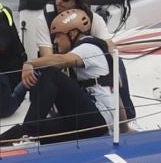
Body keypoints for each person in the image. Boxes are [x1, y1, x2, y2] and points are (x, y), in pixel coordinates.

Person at [13, 9, 118, 142]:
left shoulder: (87, 47)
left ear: (73, 33)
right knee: (29, 130)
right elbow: (116, 95)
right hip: (90, 121)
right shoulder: (86, 49)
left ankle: (28, 134)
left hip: (98, 122)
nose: (55, 42)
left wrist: (30, 63)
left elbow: (60, 60)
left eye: (58, 36)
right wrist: (124, 128)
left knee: (51, 73)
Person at [23, 0, 93, 59]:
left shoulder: (92, 18)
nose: (58, 2)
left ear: (79, 1)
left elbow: (107, 45)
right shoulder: (45, 19)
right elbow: (47, 58)